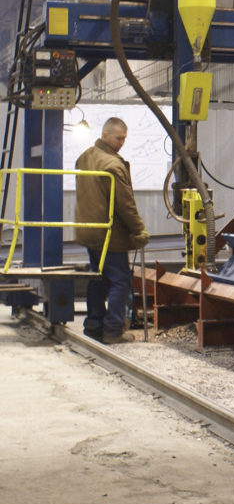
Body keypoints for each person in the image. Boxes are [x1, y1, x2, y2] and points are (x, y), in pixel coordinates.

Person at [74, 117, 149, 344]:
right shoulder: (113, 165)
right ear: (105, 134)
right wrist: (139, 230)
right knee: (120, 281)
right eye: (118, 138)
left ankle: (94, 325)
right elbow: (125, 204)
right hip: (109, 234)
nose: (121, 143)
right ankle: (114, 330)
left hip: (89, 230)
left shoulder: (86, 157)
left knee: (99, 278)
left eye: (124, 139)